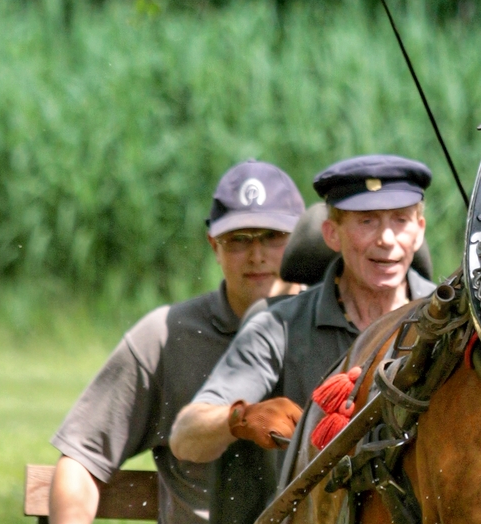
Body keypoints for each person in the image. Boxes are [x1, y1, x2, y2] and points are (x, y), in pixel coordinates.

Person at [28, 160, 305, 524]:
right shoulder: (166, 335)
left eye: (273, 237)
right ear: (213, 246)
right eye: (239, 239)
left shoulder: (329, 323)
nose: (258, 255)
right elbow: (84, 456)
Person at [170, 153, 436, 466]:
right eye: (367, 221)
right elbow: (185, 437)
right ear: (331, 234)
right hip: (307, 511)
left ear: (419, 230)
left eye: (400, 220)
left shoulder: (448, 323)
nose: (387, 239)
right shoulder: (279, 326)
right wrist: (241, 418)